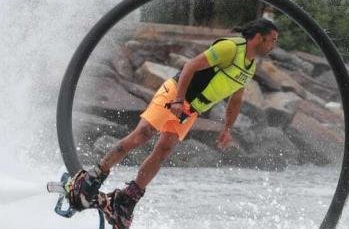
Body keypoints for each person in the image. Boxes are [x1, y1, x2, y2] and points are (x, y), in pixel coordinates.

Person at [66, 18, 279, 228]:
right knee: (144, 134)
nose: (274, 46)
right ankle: (93, 177)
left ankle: (126, 199)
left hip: (190, 109)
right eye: (272, 40)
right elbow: (190, 66)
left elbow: (236, 99)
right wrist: (178, 99)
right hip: (176, 95)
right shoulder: (230, 48)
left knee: (164, 149)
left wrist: (227, 129)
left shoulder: (250, 67)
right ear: (258, 38)